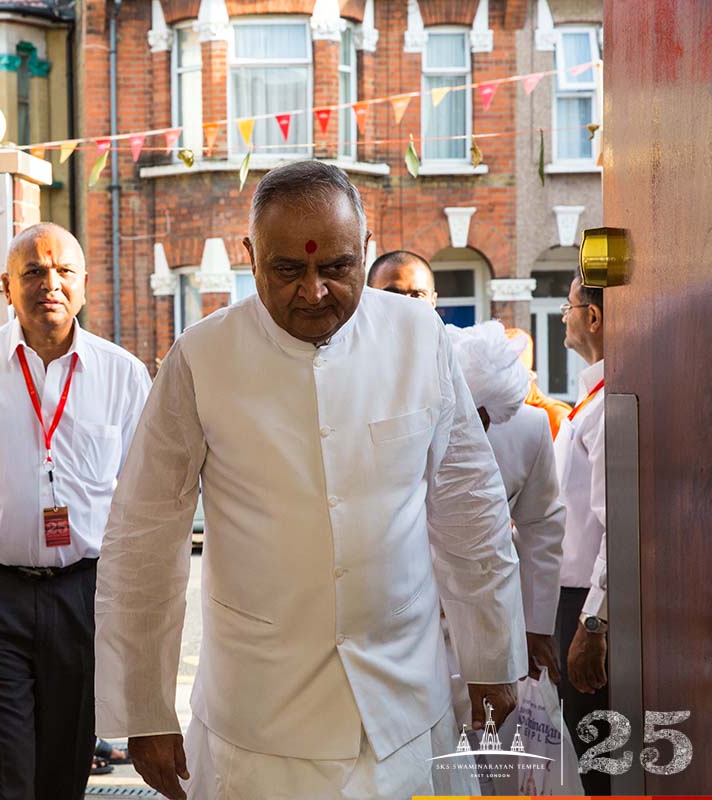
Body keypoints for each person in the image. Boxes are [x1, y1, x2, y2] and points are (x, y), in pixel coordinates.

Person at [94, 161, 527, 800]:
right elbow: (144, 538)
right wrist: (145, 709)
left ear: (367, 250)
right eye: (288, 269)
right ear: (250, 257)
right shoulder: (202, 357)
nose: (314, 291)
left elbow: (470, 505)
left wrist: (493, 656)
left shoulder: (418, 338)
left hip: (404, 709)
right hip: (258, 725)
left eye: (337, 267)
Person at [0, 222, 151, 800]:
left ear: (84, 283)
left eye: (63, 271)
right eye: (33, 272)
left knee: (63, 776)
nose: (50, 284)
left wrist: (137, 621)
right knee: (6, 777)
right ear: (6, 288)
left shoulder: (122, 375)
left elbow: (145, 506)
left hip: (82, 598)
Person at [447, 322, 566, 683]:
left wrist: (536, 624)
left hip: (495, 609)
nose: (476, 428)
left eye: (485, 419)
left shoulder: (530, 427)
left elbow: (542, 526)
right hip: (412, 615)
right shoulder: (414, 423)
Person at [368, 253, 573, 436]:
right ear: (367, 298)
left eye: (417, 295)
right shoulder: (354, 376)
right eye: (392, 293)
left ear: (433, 300)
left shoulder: (500, 403)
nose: (406, 303)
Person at [554, 271, 608, 795]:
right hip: (571, 602)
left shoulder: (607, 407)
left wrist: (593, 623)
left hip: (586, 606)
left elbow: (616, 525)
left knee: (596, 761)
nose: (564, 317)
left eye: (568, 306)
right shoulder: (592, 400)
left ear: (591, 317)